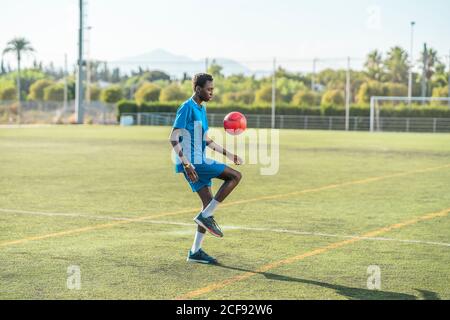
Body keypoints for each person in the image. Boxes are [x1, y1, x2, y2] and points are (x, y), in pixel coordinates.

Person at [169, 73, 243, 264]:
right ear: (197, 89)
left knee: (207, 205)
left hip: (199, 159)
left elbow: (205, 139)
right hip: (193, 162)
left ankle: (195, 251)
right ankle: (204, 217)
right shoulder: (186, 107)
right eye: (209, 89)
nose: (212, 92)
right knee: (235, 177)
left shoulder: (201, 109)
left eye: (212, 89)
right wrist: (186, 163)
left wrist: (229, 154)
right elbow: (173, 137)